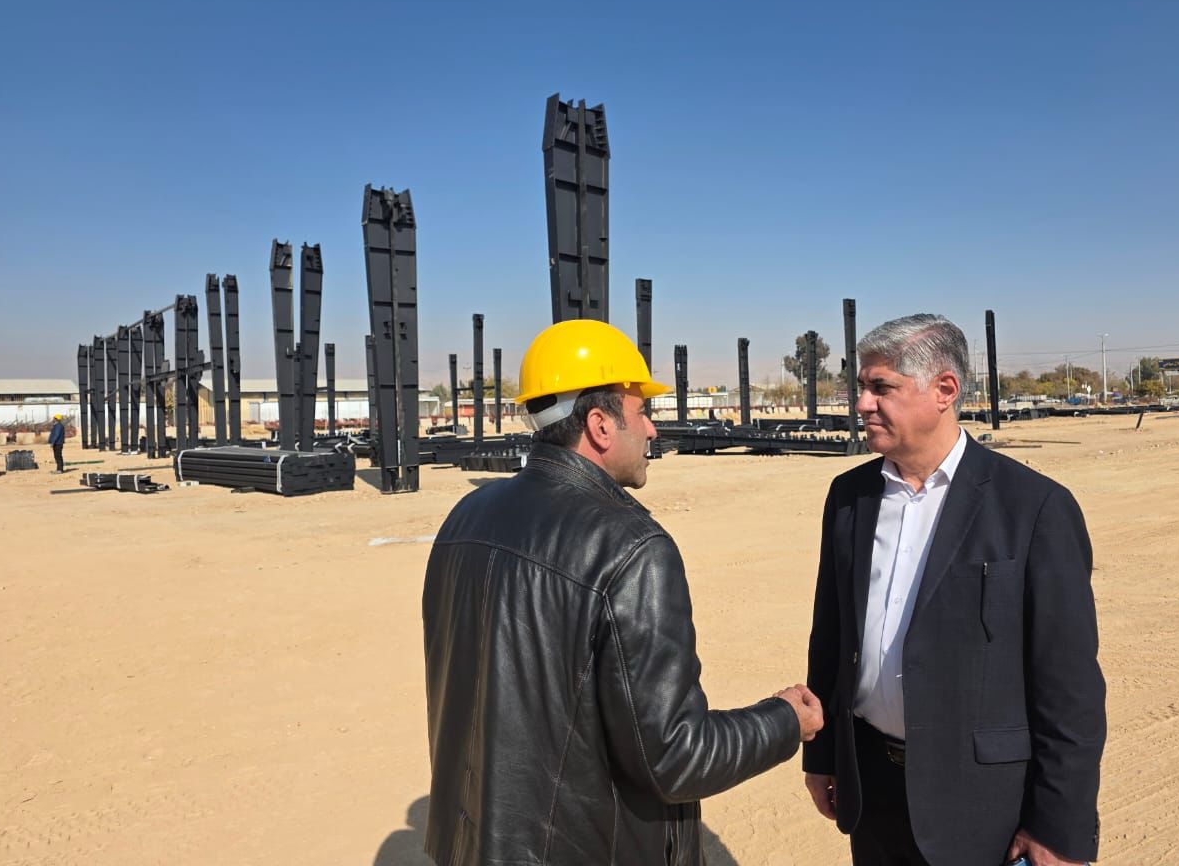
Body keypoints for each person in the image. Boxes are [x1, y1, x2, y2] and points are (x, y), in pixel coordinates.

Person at [423, 319, 823, 865]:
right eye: (642, 412)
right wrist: (784, 720)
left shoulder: (467, 516)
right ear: (600, 425)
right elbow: (676, 758)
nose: (653, 430)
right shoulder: (630, 547)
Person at [803, 314, 1105, 866]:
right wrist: (823, 755)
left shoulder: (1033, 508)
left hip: (983, 806)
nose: (862, 404)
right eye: (862, 388)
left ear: (944, 390)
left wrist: (1059, 827)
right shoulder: (849, 497)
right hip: (873, 791)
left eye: (881, 387)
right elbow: (831, 635)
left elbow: (1070, 689)